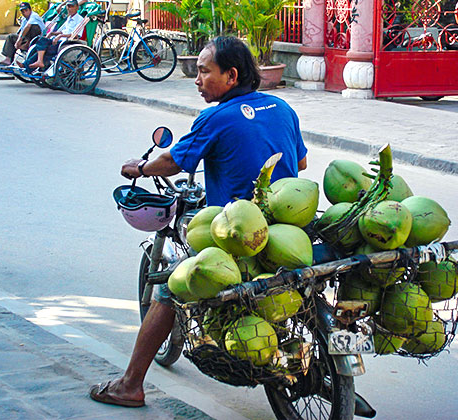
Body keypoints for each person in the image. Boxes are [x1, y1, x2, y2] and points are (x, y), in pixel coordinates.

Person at [88, 36, 307, 408]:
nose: (197, 79)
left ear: (231, 75)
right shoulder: (282, 107)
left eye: (205, 71)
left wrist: (139, 167)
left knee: (169, 290)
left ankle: (130, 385)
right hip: (289, 227)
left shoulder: (215, 117)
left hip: (238, 236)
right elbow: (300, 164)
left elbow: (173, 161)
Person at [24, 0, 84, 70]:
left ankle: (28, 66)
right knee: (41, 41)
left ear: (77, 7)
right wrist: (52, 33)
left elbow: (75, 35)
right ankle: (37, 62)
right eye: (68, 6)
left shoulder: (80, 19)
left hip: (67, 42)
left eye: (71, 6)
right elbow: (63, 31)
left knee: (48, 49)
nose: (69, 8)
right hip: (60, 40)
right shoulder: (69, 18)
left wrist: (60, 36)